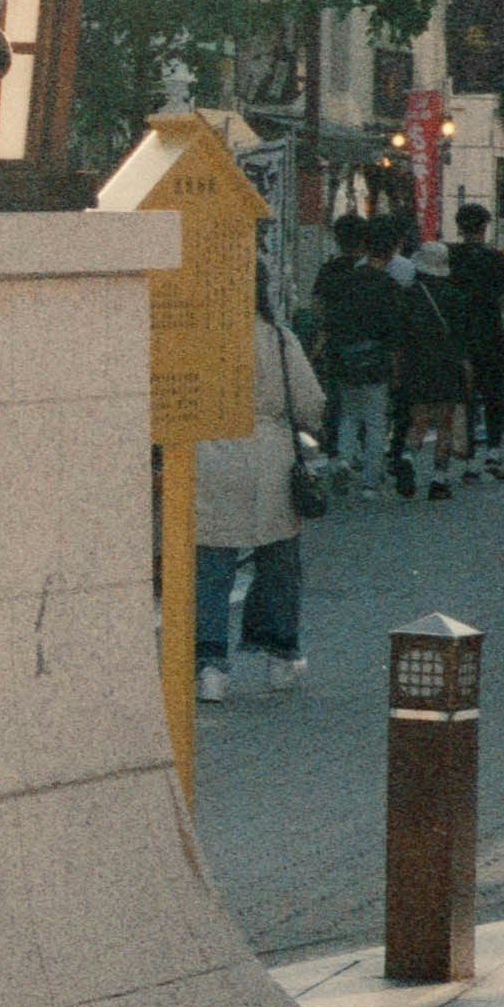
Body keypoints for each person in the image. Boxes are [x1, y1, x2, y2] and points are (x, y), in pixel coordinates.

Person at [196, 274, 325, 702]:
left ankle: (210, 667)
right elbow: (309, 403)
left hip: (210, 455)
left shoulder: (197, 334)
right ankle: (280, 655)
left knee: (212, 567)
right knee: (279, 562)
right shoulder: (279, 338)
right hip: (271, 458)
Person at [311, 219, 400, 495]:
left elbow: (325, 315)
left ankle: (344, 460)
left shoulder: (341, 280)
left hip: (345, 357)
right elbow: (394, 328)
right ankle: (370, 482)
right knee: (375, 420)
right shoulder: (388, 284)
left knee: (348, 414)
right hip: (376, 358)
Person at [389, 240, 470, 500]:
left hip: (416, 361)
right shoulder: (456, 297)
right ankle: (439, 479)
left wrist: (397, 370)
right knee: (445, 422)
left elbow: (399, 337)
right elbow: (462, 338)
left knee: (419, 417)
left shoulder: (409, 295)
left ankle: (408, 456)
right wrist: (467, 371)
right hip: (447, 362)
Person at [443, 204, 504, 483]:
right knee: (494, 396)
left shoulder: (450, 258)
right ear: (485, 227)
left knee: (465, 398)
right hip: (490, 335)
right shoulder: (495, 259)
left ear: (460, 227)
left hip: (458, 337)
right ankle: (494, 452)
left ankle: (469, 461)